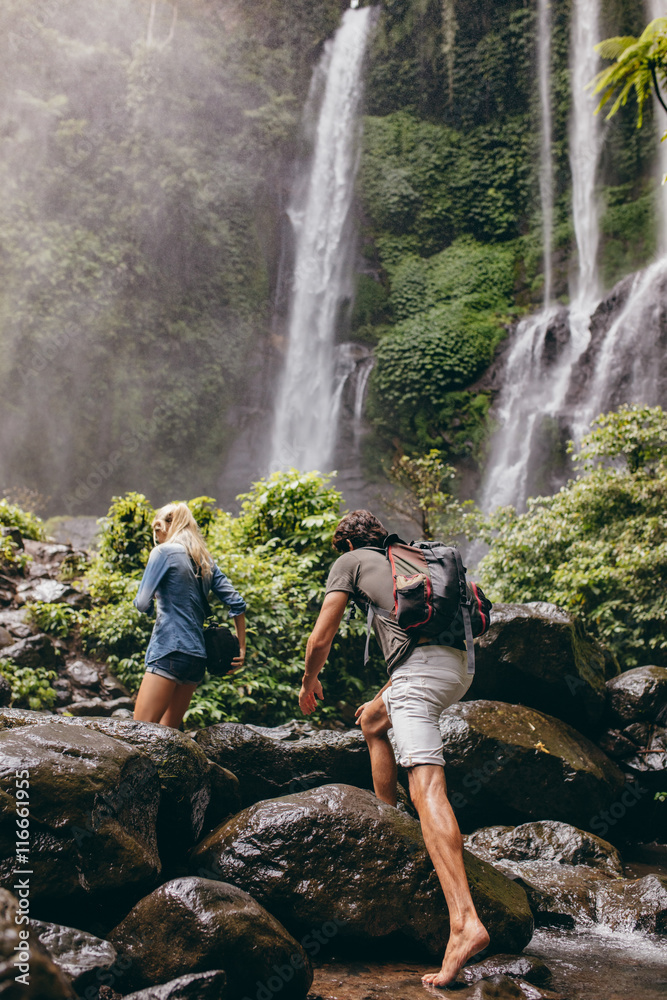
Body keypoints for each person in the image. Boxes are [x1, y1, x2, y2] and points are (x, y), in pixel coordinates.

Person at [299, 509, 489, 988]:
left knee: (427, 791)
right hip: (459, 667)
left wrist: (309, 681)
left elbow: (321, 635)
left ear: (345, 544)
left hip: (420, 675)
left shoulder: (352, 561)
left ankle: (465, 922)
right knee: (373, 718)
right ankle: (387, 818)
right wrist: (387, 692)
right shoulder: (410, 558)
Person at [133, 502, 246, 729]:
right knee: (169, 735)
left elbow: (142, 603)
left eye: (158, 528)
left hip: (169, 650)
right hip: (196, 658)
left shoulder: (162, 553)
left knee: (139, 731)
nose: (157, 534)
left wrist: (153, 598)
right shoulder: (204, 560)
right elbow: (237, 603)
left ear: (169, 526)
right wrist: (241, 649)